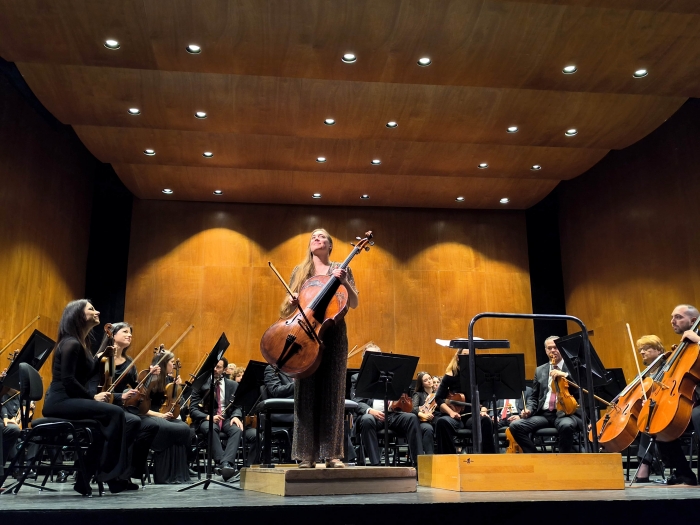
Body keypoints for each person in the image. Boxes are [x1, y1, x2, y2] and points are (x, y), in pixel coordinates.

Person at [282, 229, 359, 468]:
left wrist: (344, 280)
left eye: (322, 236)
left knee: (333, 394)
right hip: (305, 334)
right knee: (305, 393)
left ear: (330, 245)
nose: (317, 238)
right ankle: (307, 455)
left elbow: (354, 302)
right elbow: (286, 309)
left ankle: (332, 454)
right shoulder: (300, 272)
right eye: (313, 236)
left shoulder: (342, 268)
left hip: (334, 334)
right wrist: (292, 300)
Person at [41, 299, 133, 496]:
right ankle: (110, 475)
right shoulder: (71, 343)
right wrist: (92, 398)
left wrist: (103, 356)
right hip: (60, 401)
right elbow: (68, 380)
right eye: (91, 309)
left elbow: (90, 371)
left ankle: (84, 479)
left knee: (100, 429)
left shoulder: (82, 343)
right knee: (116, 413)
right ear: (79, 315)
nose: (97, 311)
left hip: (69, 400)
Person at [95, 323, 159, 483]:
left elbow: (139, 389)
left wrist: (150, 376)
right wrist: (120, 396)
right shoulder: (105, 358)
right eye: (124, 332)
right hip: (105, 407)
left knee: (151, 426)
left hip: (122, 408)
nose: (129, 335)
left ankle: (129, 472)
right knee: (133, 422)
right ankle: (112, 470)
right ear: (113, 335)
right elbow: (100, 391)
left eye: (130, 333)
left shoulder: (129, 362)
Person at [650, 304, 700, 485]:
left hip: (697, 403)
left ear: (693, 321)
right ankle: (684, 473)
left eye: (678, 317)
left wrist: (699, 341)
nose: (673, 321)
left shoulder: (696, 342)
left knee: (698, 415)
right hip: (688, 399)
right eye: (672, 317)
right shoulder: (684, 346)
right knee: (658, 422)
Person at [351, 344, 424, 466]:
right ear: (364, 359)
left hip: (392, 414)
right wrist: (370, 410)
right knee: (366, 419)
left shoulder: (393, 375)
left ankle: (419, 465)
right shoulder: (357, 378)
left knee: (411, 418)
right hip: (373, 416)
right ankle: (376, 465)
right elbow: (356, 402)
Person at [508, 336, 581, 454]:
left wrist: (564, 375)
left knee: (566, 426)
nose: (553, 350)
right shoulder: (540, 370)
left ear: (561, 348)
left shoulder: (573, 367)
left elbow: (581, 388)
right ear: (546, 350)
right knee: (516, 426)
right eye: (549, 348)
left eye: (555, 347)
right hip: (544, 414)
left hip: (566, 413)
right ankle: (535, 457)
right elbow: (534, 396)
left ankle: (564, 460)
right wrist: (529, 409)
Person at [190, 357, 251, 482]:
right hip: (207, 419)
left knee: (236, 430)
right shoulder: (201, 384)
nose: (215, 369)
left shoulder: (233, 385)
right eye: (213, 366)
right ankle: (224, 464)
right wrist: (208, 417)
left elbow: (238, 406)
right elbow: (193, 410)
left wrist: (235, 416)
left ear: (225, 369)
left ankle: (224, 464)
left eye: (218, 367)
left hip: (227, 418)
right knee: (211, 427)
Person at [139, 349, 192, 484]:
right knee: (173, 429)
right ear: (163, 364)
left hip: (163, 416)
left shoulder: (169, 380)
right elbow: (141, 408)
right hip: (149, 415)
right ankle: (165, 475)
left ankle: (179, 474)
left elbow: (173, 402)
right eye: (171, 362)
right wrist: (160, 415)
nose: (174, 366)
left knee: (184, 428)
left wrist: (178, 386)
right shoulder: (149, 379)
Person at [434, 349, 496, 454]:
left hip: (472, 416)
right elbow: (439, 398)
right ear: (458, 357)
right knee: (442, 422)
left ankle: (487, 459)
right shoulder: (450, 375)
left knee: (485, 421)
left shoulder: (478, 375)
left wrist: (483, 411)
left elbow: (485, 398)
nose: (468, 357)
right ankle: (448, 459)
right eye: (465, 355)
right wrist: (451, 412)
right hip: (455, 416)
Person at [633, 335, 666, 482]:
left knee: (648, 421)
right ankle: (652, 462)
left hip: (666, 409)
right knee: (644, 419)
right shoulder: (644, 375)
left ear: (659, 350)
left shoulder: (668, 368)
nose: (642, 352)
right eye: (640, 350)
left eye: (646, 349)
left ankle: (645, 463)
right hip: (651, 410)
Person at [412, 371, 436, 454]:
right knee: (428, 429)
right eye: (425, 380)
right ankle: (429, 457)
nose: (429, 381)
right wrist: (424, 415)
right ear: (421, 384)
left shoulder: (438, 394)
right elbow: (413, 408)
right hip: (423, 421)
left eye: (430, 378)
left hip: (435, 418)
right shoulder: (418, 394)